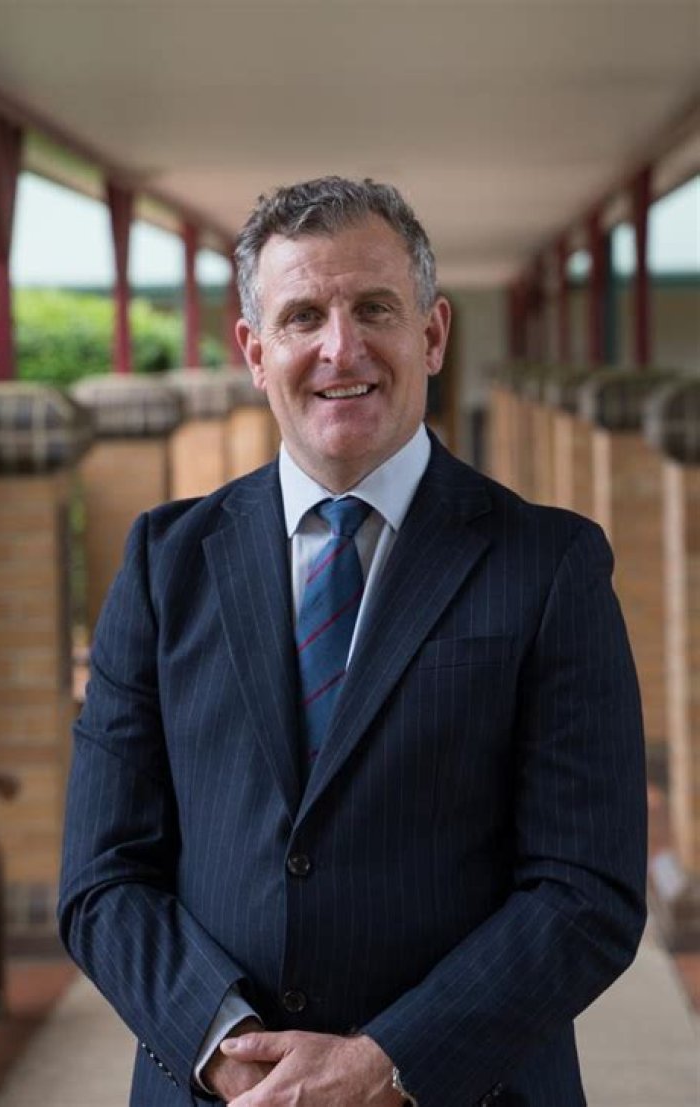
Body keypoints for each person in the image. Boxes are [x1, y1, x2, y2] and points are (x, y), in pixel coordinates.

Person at [58, 177, 647, 1107]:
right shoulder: (162, 565)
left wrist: (385, 1063)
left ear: (433, 334)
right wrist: (227, 1047)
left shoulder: (551, 565)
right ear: (256, 352)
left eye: (375, 307)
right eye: (303, 316)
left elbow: (587, 890)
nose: (342, 347)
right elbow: (102, 875)